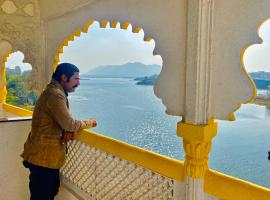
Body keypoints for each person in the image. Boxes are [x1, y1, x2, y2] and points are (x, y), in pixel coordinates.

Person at [21, 63, 97, 200]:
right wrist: (89, 122)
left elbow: (60, 122)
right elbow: (70, 124)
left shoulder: (53, 91)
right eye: (75, 79)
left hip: (41, 156)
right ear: (63, 77)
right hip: (44, 159)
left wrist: (65, 130)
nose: (78, 83)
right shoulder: (55, 95)